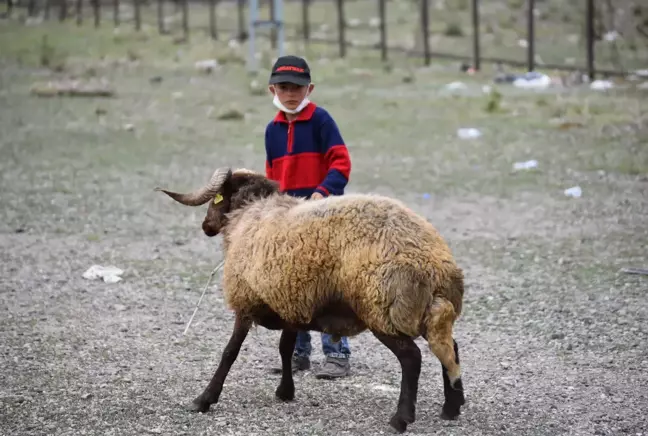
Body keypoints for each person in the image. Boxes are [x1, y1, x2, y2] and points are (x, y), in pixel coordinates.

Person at [263, 55, 353, 379]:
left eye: (298, 88)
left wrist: (322, 192)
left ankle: (337, 354)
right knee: (291, 285)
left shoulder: (321, 121)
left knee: (329, 286)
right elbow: (271, 175)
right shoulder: (272, 130)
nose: (291, 94)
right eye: (284, 87)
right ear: (272, 89)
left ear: (309, 89)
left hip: (324, 216)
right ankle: (298, 353)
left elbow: (341, 163)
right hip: (290, 221)